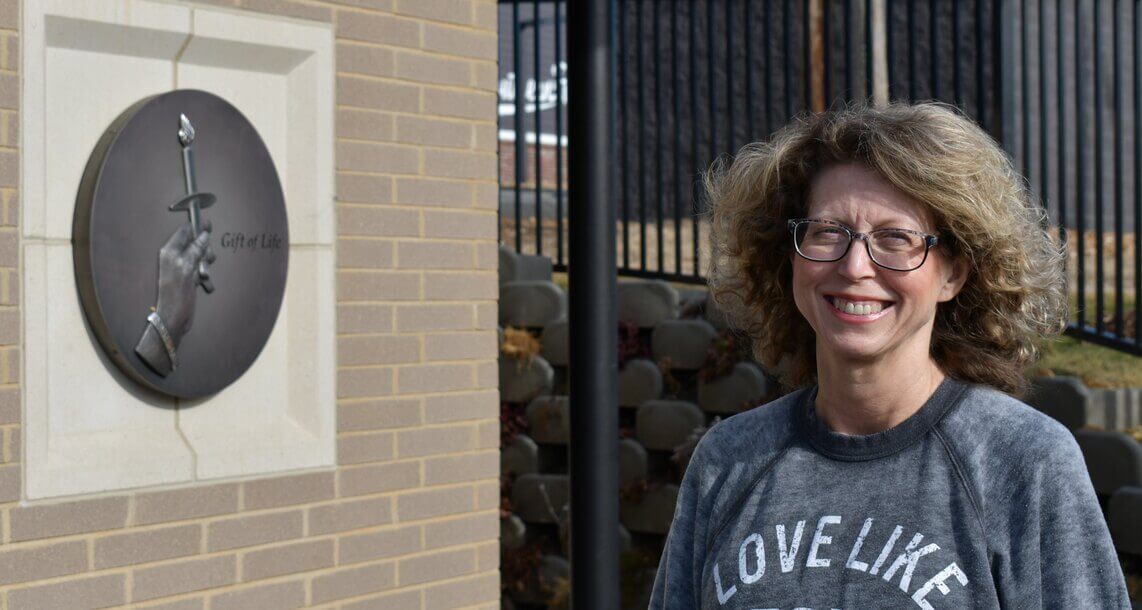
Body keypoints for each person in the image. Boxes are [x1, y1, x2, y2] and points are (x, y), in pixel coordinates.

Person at [649, 103, 1131, 609]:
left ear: (954, 274)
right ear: (789, 256)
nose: (855, 266)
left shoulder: (1023, 463)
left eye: (896, 238)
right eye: (827, 231)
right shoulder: (728, 461)